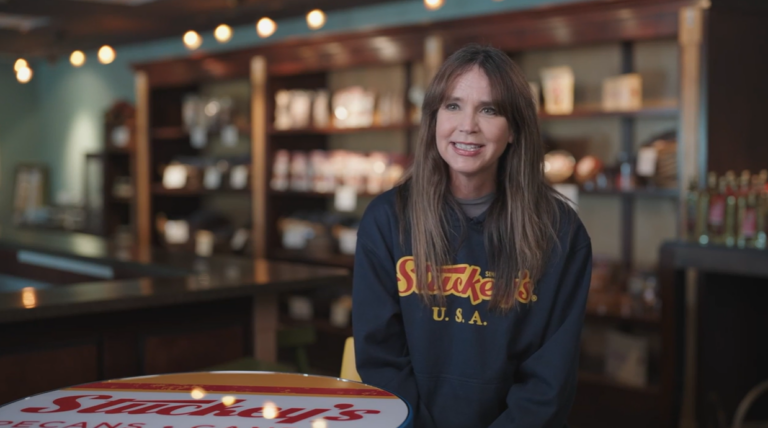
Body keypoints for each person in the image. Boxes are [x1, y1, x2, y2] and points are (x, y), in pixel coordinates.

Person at [352, 44, 592, 428]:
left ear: (514, 129)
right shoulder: (387, 219)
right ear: (432, 119)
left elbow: (551, 377)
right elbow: (381, 357)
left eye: (490, 110)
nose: (467, 125)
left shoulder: (559, 230)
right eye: (452, 106)